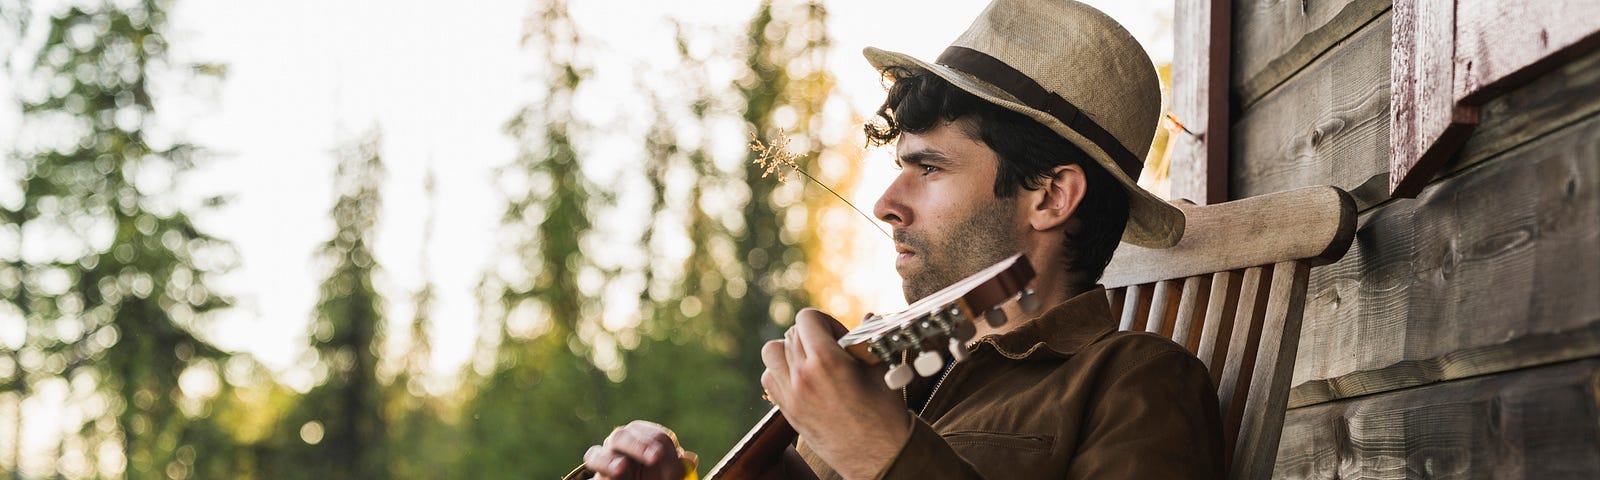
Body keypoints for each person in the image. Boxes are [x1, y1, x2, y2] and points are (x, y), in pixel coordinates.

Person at [574, 0, 1224, 478]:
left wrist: (880, 451)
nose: (886, 204)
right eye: (899, 168)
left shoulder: (1136, 382)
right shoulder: (892, 379)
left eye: (930, 168)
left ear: (1050, 196)